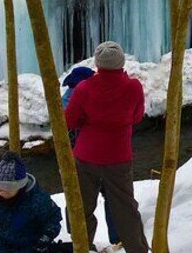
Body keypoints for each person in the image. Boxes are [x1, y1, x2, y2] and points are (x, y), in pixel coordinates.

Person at [64, 41, 149, 252]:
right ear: (121, 62)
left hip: (86, 155)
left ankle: (82, 246)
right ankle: (137, 249)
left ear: (98, 63)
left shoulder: (84, 88)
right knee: (125, 207)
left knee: (80, 206)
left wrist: (87, 120)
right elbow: (137, 116)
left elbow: (69, 120)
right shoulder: (133, 86)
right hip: (118, 155)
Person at [61, 66, 120, 250]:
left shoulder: (66, 99)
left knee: (77, 197)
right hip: (91, 156)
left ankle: (80, 238)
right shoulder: (84, 98)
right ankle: (116, 237)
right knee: (109, 194)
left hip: (75, 158)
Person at [0, 151, 69, 252]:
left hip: (34, 246)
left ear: (21, 185)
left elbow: (53, 218)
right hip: (4, 247)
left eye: (8, 186)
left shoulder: (37, 200)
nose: (2, 190)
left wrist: (47, 236)